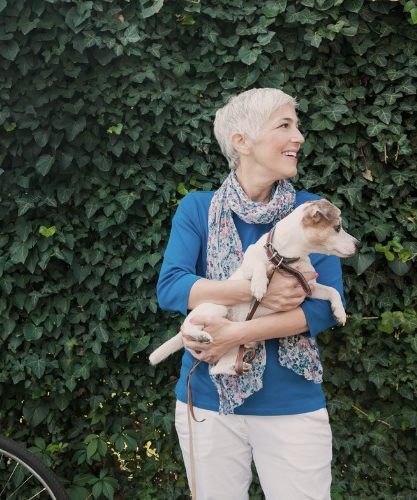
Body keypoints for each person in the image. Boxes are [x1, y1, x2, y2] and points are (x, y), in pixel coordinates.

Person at [156, 88, 345, 499]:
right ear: (242, 141)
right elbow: (172, 287)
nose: (300, 137)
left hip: (292, 404)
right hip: (207, 403)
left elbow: (322, 312)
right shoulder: (197, 209)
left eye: (297, 125)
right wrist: (250, 289)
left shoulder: (311, 212)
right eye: (285, 125)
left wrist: (235, 334)